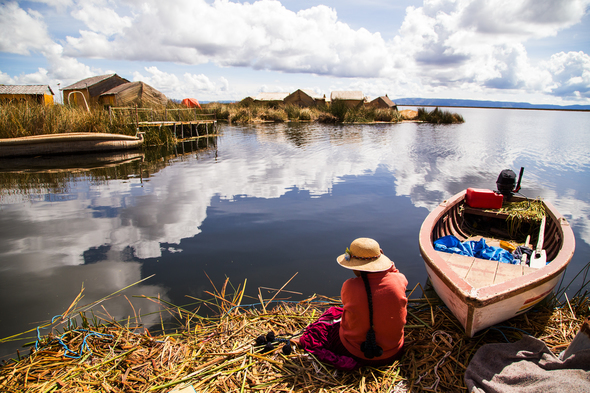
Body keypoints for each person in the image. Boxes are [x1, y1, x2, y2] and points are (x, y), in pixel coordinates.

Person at [296, 237, 408, 370]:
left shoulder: (350, 286)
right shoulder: (399, 280)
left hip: (355, 353)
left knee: (327, 322)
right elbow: (393, 273)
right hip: (393, 353)